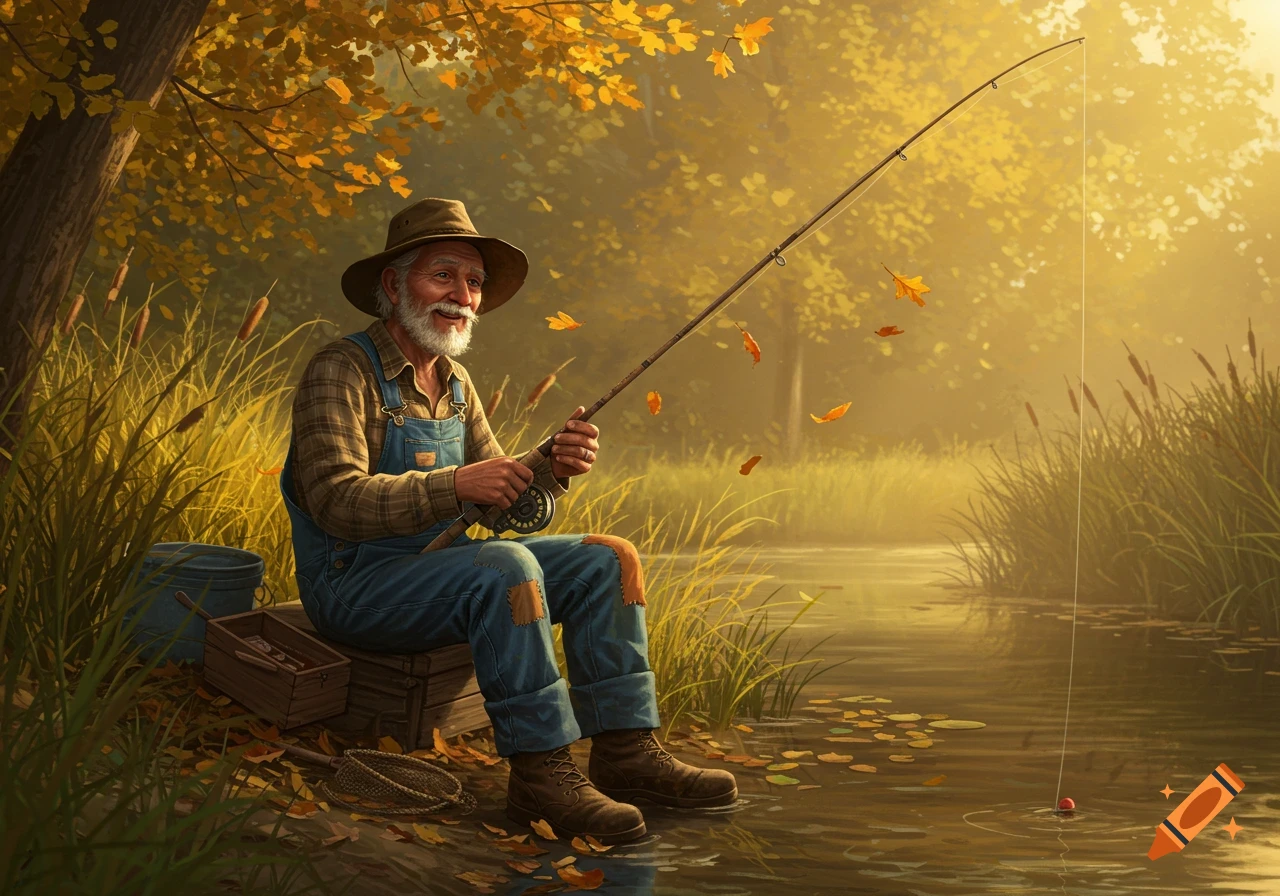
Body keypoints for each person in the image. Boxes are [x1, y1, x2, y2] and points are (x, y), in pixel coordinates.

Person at [280, 197, 736, 843]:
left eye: (473, 282)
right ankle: (540, 775)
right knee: (504, 569)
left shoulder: (458, 385)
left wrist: (551, 467)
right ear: (392, 284)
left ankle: (626, 753)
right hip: (353, 587)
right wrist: (456, 483)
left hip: (436, 571)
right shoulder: (341, 369)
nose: (463, 296)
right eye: (444, 275)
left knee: (609, 557)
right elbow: (334, 498)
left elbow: (505, 510)